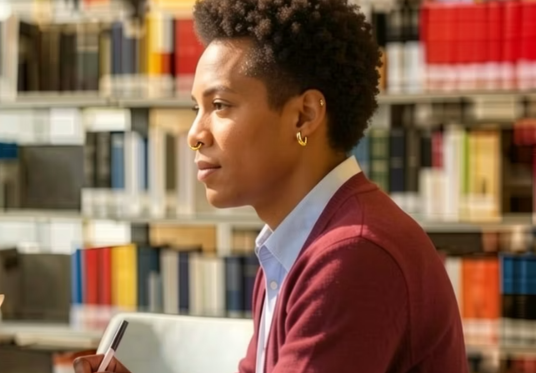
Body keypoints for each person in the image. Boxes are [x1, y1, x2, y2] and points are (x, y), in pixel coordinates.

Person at [75, 0, 467, 372]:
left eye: (220, 105)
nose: (194, 134)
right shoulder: (292, 246)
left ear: (304, 115)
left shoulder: (352, 254)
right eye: (197, 108)